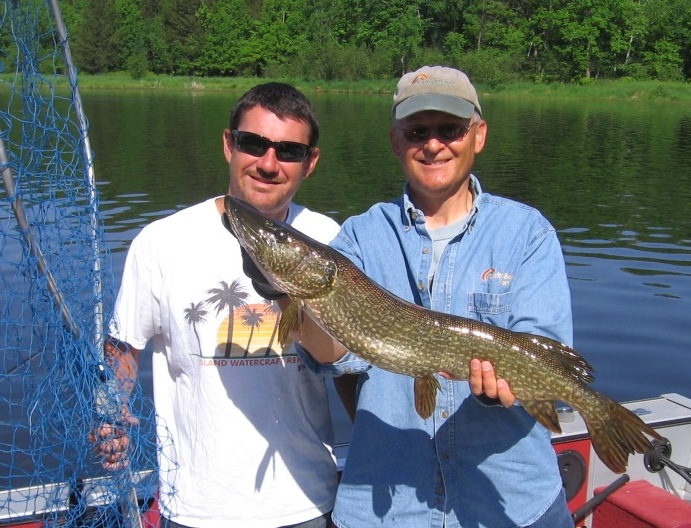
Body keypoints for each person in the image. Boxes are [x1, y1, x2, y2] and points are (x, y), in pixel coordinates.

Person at [297, 66, 574, 527]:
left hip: (510, 503)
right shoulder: (360, 238)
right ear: (395, 140)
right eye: (417, 131)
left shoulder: (527, 233)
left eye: (450, 129)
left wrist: (498, 391)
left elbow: (541, 343)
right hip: (389, 508)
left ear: (478, 135)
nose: (433, 144)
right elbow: (336, 357)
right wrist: (296, 296)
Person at [91, 83, 341, 528]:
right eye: (253, 143)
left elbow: (343, 362)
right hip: (196, 508)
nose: (268, 163)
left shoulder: (331, 240)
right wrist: (111, 410)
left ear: (311, 162)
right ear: (229, 144)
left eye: (288, 151)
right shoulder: (161, 242)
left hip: (305, 502)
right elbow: (124, 348)